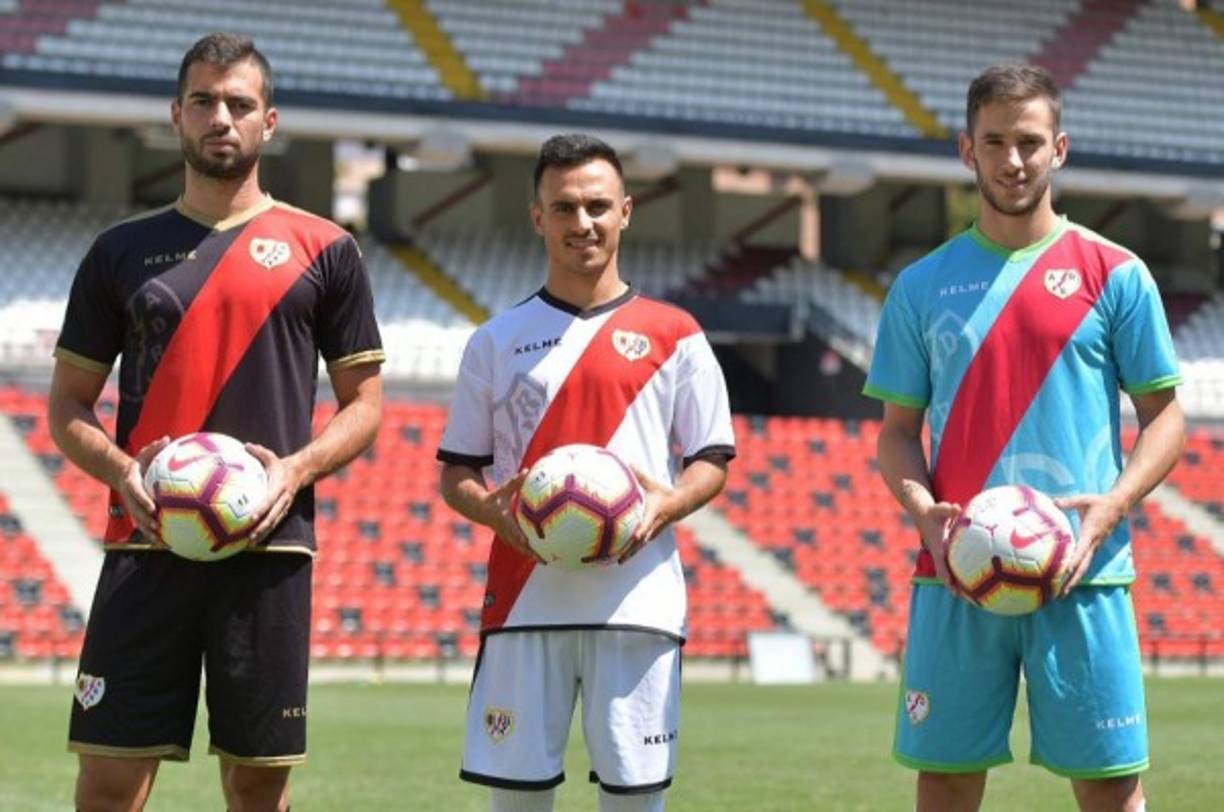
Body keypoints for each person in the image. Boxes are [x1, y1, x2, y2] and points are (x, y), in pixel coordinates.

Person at [48, 33, 384, 812]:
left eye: (239, 103)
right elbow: (67, 405)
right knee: (106, 782)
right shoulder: (118, 252)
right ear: (177, 116)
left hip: (269, 546)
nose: (220, 117)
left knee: (259, 787)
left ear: (269, 121)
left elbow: (365, 405)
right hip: (145, 541)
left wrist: (294, 470)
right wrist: (121, 470)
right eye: (203, 101)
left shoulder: (326, 249)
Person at [864, 64, 1184, 812]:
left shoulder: (1118, 275)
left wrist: (1112, 505)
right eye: (996, 142)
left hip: (1083, 566)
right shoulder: (919, 286)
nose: (1014, 160)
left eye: (1030, 142)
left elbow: (1164, 417)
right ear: (966, 152)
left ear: (1060, 149)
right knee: (944, 781)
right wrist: (924, 514)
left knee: (1110, 784)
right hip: (957, 570)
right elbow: (896, 435)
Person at [437, 133, 735, 812]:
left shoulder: (677, 333)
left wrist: (663, 507)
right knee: (516, 805)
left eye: (598, 206)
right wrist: (492, 512)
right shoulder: (495, 341)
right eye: (565, 208)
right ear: (539, 217)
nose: (584, 223)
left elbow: (712, 459)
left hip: (637, 605)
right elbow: (456, 473)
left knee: (634, 804)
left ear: (626, 211)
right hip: (522, 602)